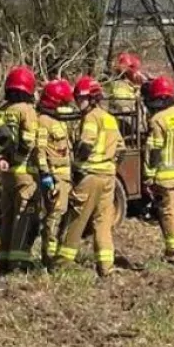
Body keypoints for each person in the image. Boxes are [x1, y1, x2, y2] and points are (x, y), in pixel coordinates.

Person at [56, 77, 121, 277]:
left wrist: (76, 166)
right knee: (102, 221)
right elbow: (121, 148)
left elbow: (86, 144)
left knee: (76, 217)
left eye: (80, 98)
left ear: (91, 98)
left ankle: (62, 262)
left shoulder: (91, 117)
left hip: (90, 175)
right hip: (108, 177)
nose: (78, 102)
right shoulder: (110, 118)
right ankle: (106, 266)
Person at [0, 65, 41, 272]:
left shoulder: (2, 111)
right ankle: (18, 263)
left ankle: (3, 258)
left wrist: (1, 160)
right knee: (24, 217)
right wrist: (19, 159)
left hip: (6, 176)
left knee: (7, 218)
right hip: (25, 174)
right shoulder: (27, 111)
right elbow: (29, 141)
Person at [143, 76, 174, 265]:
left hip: (164, 177)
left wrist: (149, 176)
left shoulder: (158, 120)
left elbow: (153, 151)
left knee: (167, 212)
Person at [34, 79, 75, 270]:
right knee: (54, 217)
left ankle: (57, 253)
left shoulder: (59, 121)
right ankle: (48, 258)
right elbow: (40, 151)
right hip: (55, 178)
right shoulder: (43, 122)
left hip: (65, 177)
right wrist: (45, 175)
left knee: (63, 216)